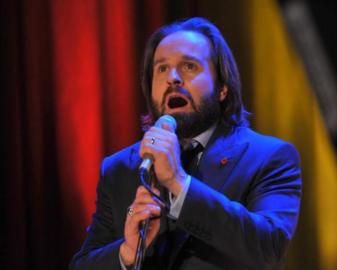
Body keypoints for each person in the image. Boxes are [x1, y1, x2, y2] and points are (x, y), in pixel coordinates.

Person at [70, 17, 302, 270]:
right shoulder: (120, 169)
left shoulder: (269, 157)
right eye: (161, 69)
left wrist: (179, 184)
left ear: (222, 87)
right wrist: (127, 252)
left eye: (189, 66)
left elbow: (268, 250)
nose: (172, 78)